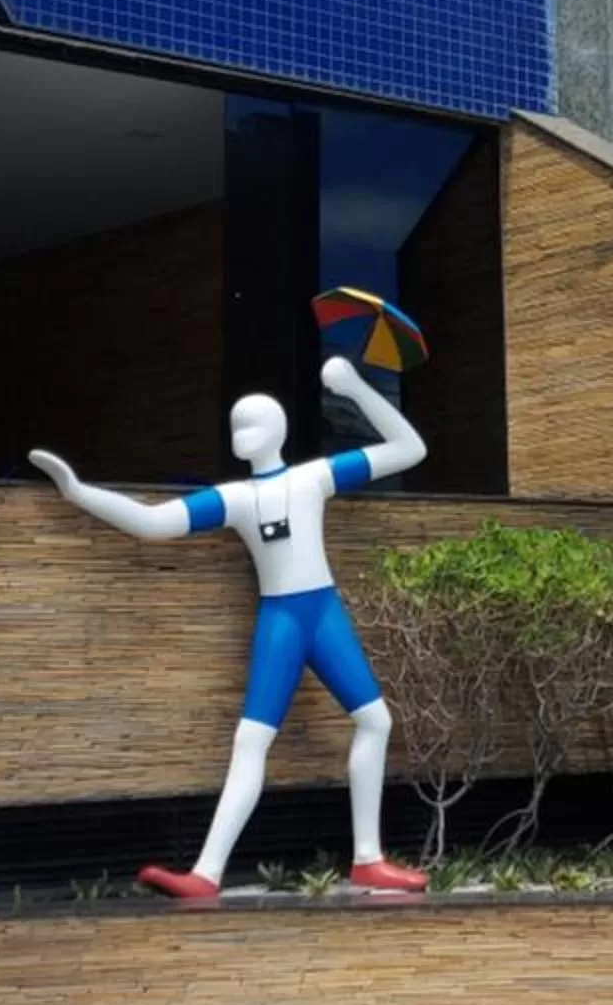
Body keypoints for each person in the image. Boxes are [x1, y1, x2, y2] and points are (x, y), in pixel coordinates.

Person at [29, 357, 430, 905]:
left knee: (375, 722)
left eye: (253, 423)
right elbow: (153, 522)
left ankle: (368, 859)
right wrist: (79, 492)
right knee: (252, 740)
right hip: (284, 620)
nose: (242, 434)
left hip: (322, 612)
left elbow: (409, 450)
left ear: (280, 429)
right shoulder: (237, 498)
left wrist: (355, 387)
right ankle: (207, 872)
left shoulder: (314, 477)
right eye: (236, 425)